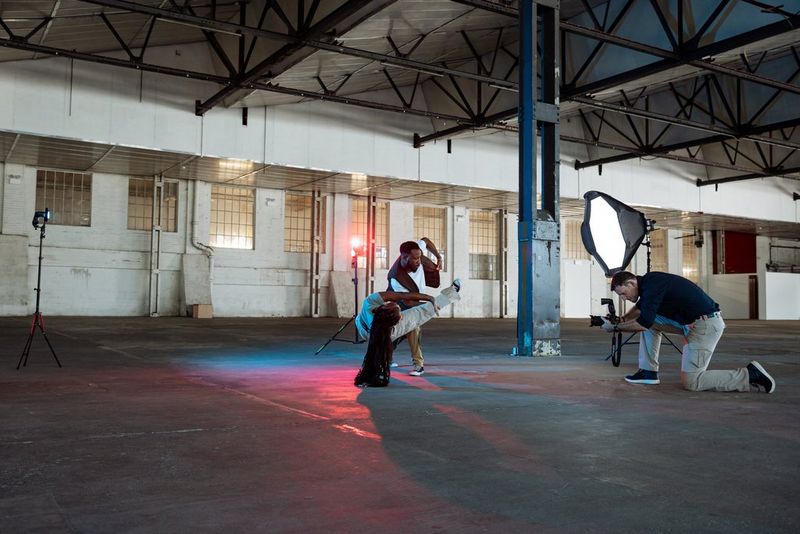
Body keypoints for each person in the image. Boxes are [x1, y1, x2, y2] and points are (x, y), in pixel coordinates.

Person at [600, 271, 776, 393]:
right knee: (652, 322)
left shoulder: (652, 284)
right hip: (692, 323)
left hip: (705, 326)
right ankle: (648, 372)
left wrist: (615, 327)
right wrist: (621, 320)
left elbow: (643, 322)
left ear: (631, 283)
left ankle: (749, 375)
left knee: (692, 382)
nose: (624, 298)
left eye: (623, 293)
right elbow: (640, 310)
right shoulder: (650, 284)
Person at [354, 279, 461, 387]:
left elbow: (402, 295)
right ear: (392, 324)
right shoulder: (388, 330)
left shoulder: (369, 301)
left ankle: (396, 361)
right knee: (418, 315)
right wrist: (431, 300)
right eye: (399, 317)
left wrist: (429, 297)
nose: (401, 317)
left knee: (412, 324)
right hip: (375, 331)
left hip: (361, 325)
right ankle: (452, 293)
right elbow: (415, 308)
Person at [386, 238, 443, 376]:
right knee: (409, 329)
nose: (419, 261)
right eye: (415, 259)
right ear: (404, 257)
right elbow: (409, 302)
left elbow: (426, 241)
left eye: (420, 257)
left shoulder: (416, 252)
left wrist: (438, 257)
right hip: (400, 304)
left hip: (415, 299)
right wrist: (429, 307)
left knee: (405, 332)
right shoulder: (396, 278)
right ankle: (416, 364)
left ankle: (396, 359)